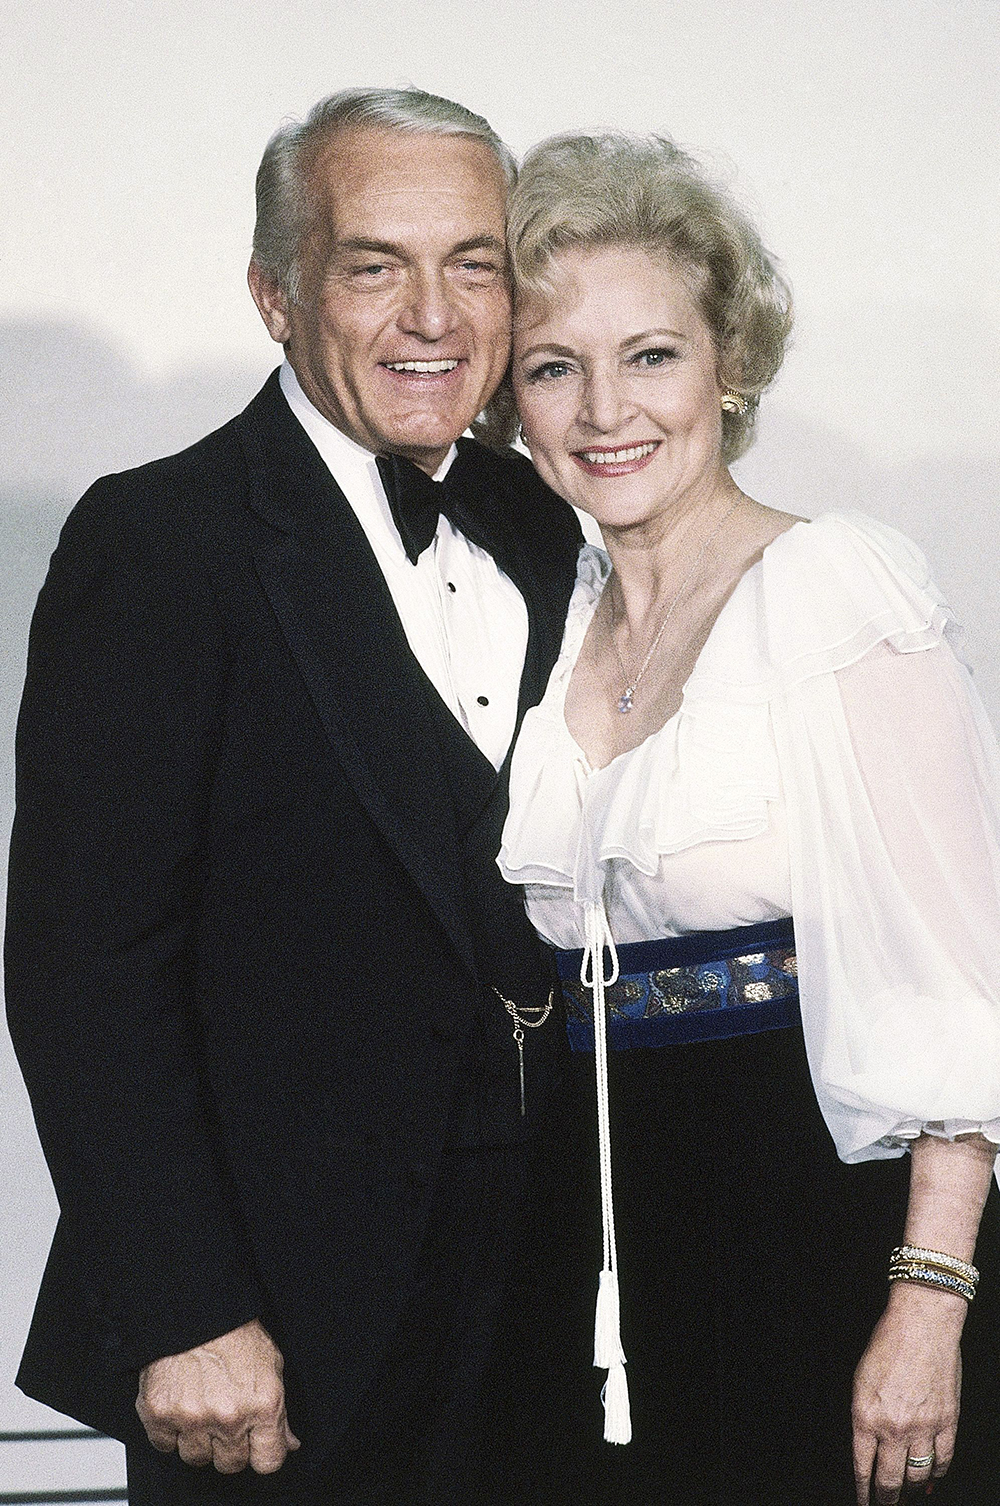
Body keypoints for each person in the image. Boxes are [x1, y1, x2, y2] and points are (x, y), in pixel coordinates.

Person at [4, 88, 581, 1506]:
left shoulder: (551, 515)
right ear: (277, 292)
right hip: (276, 1331)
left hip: (550, 1302)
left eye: (474, 263)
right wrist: (183, 1305)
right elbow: (84, 964)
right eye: (374, 265)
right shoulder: (159, 538)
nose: (433, 317)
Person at [497, 131, 1000, 1506]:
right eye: (554, 366)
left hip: (814, 1223)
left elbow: (964, 991)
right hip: (588, 1233)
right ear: (511, 404)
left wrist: (931, 1301)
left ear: (731, 361)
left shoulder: (838, 589)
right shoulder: (540, 626)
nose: (607, 407)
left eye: (651, 353)